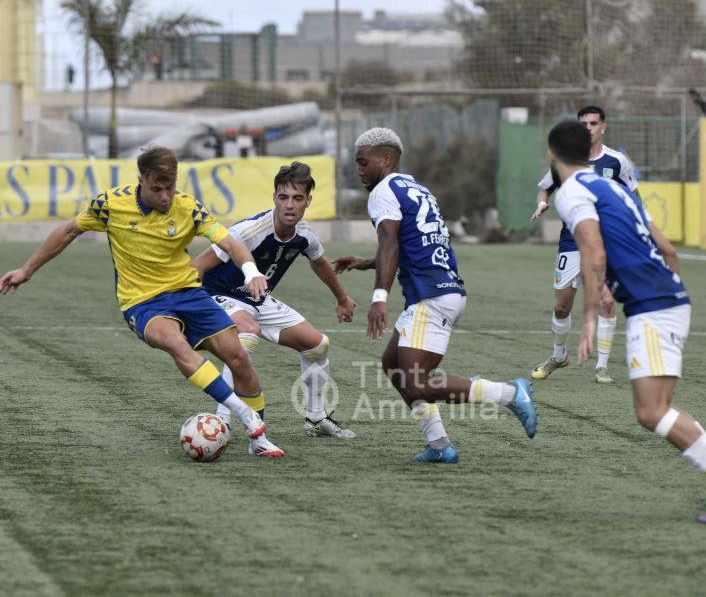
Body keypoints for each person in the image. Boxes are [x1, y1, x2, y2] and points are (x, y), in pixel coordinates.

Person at [0, 146, 283, 458]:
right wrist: (27, 270)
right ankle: (244, 415)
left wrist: (251, 271)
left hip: (188, 293)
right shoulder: (110, 204)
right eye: (157, 189)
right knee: (175, 343)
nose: (166, 197)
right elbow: (68, 231)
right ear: (141, 181)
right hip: (143, 302)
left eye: (170, 188)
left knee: (238, 357)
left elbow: (229, 242)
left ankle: (258, 442)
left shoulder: (188, 207)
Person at [549, 120, 706, 523]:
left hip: (653, 306)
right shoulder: (614, 188)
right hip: (669, 299)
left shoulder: (572, 192)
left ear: (552, 156)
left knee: (651, 412)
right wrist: (648, 288)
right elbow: (666, 248)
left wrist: (590, 315)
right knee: (657, 408)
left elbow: (593, 250)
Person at [332, 127, 537, 463]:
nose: (359, 170)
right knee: (392, 365)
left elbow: (391, 243)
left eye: (363, 162)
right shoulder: (415, 186)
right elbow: (413, 245)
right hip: (443, 290)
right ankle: (440, 445)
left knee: (419, 385)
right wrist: (365, 263)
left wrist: (379, 297)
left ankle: (510, 393)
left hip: (432, 296)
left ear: (386, 159)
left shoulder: (382, 191)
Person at [191, 161, 358, 441]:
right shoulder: (250, 231)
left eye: (297, 198)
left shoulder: (305, 235)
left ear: (308, 201)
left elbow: (320, 263)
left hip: (258, 299)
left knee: (317, 345)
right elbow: (198, 266)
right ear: (274, 198)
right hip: (217, 295)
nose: (289, 205)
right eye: (283, 197)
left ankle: (316, 419)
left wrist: (342, 298)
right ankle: (223, 420)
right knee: (247, 331)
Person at [530, 105, 657, 384]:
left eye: (593, 123)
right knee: (562, 305)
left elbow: (634, 195)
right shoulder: (564, 159)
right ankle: (559, 355)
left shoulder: (617, 161)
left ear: (603, 127)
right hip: (571, 241)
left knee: (607, 301)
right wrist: (542, 202)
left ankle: (601, 366)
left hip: (606, 240)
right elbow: (545, 188)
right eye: (583, 124)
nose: (588, 128)